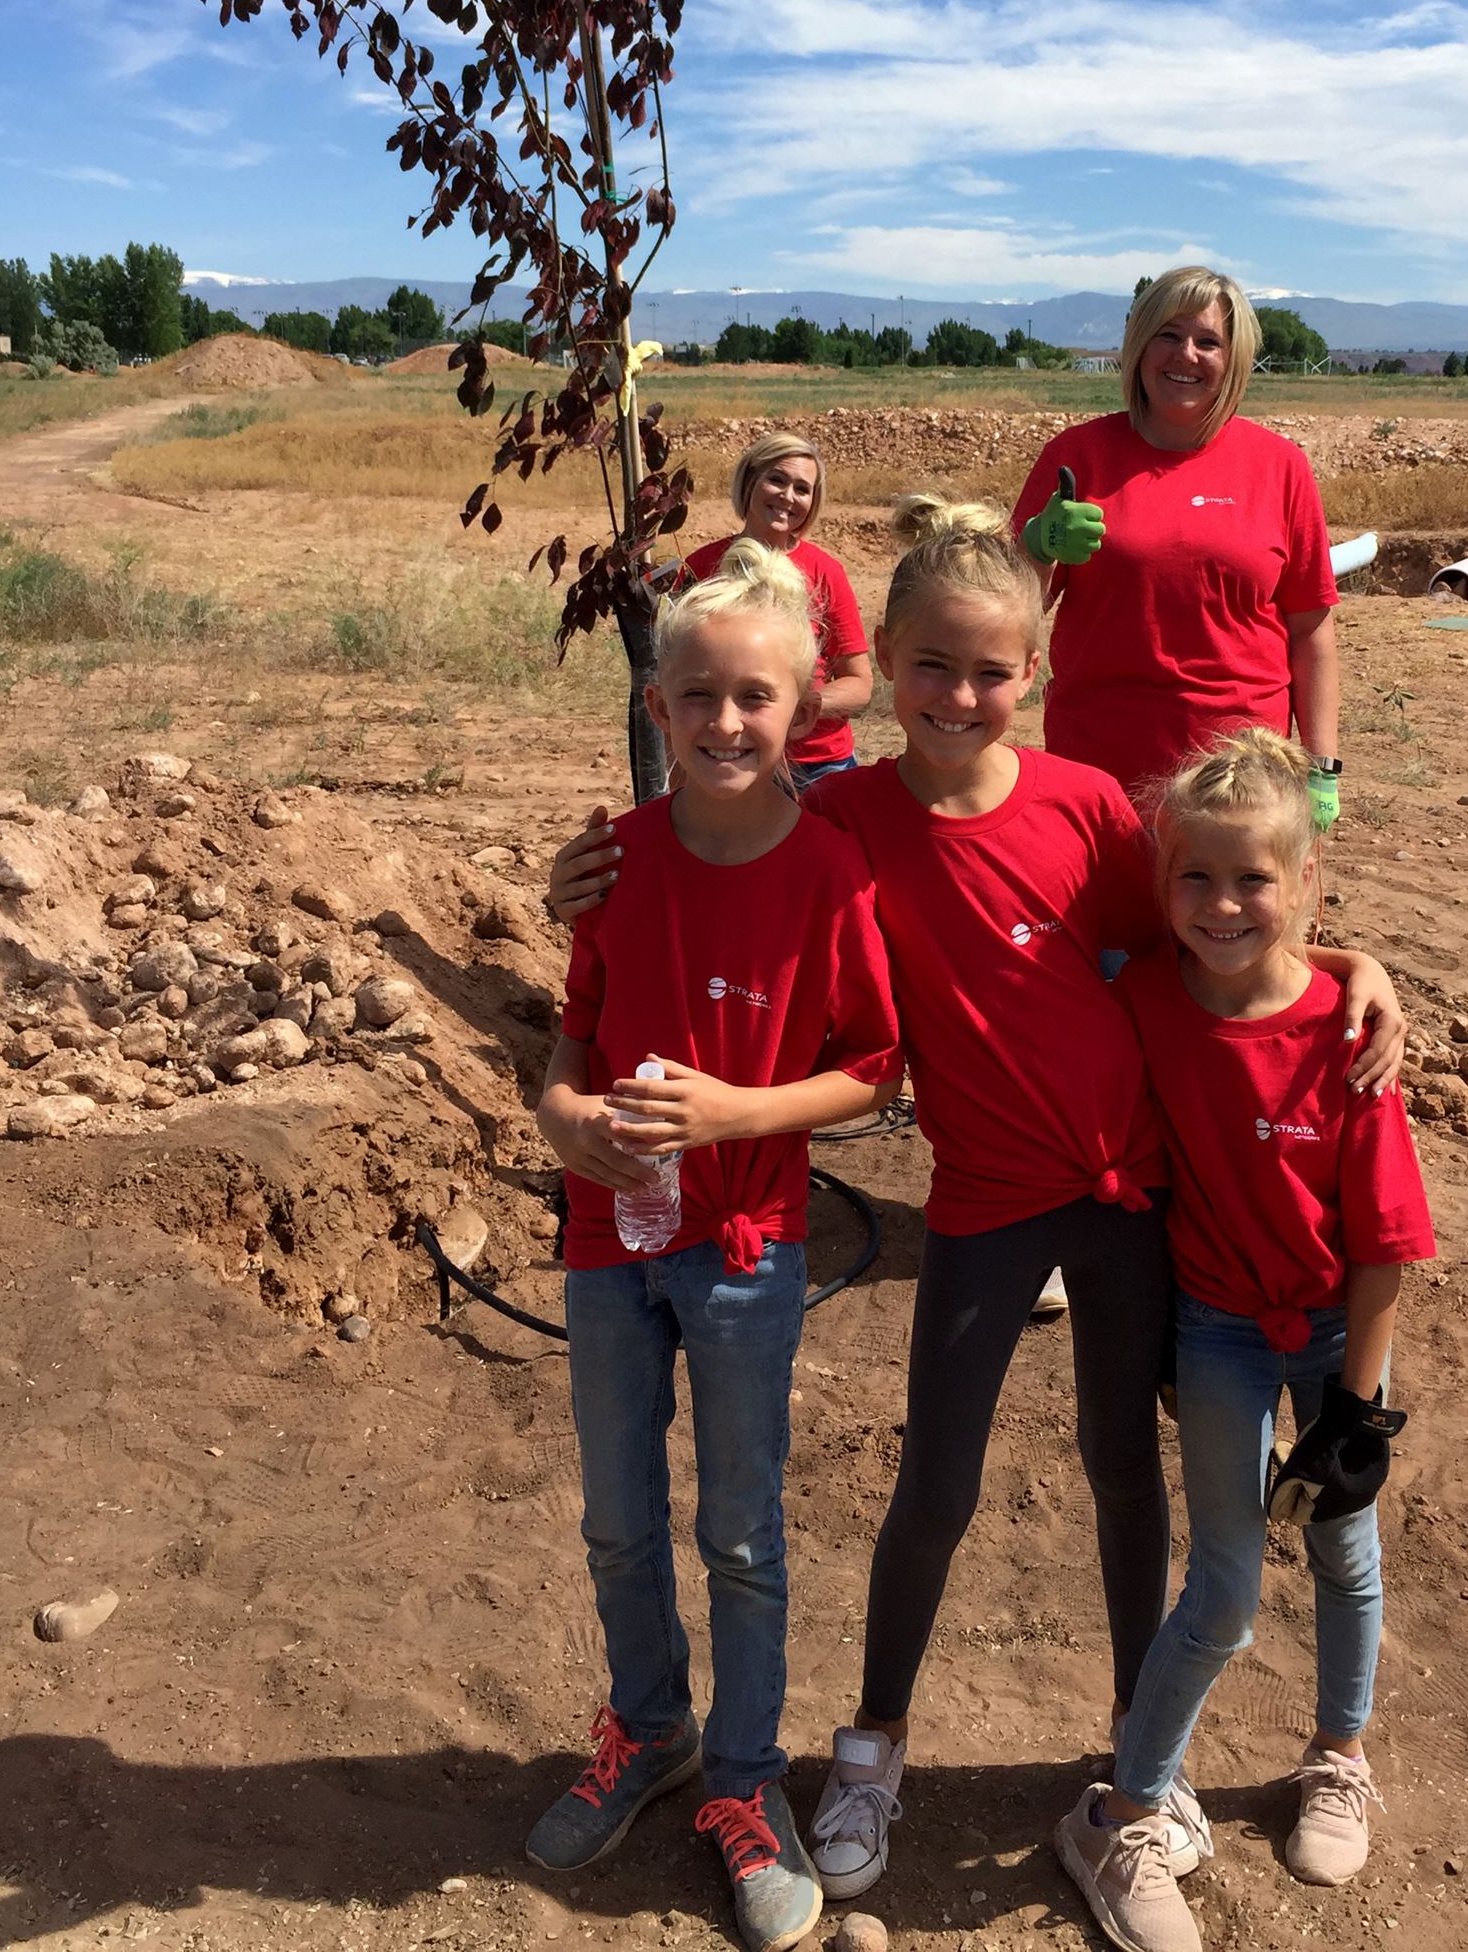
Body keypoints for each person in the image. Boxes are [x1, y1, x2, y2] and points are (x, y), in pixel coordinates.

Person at [546, 502, 1408, 1907]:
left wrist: (1354, 960)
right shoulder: (842, 819)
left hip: (1124, 1203)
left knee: (1121, 1473)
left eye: (990, 671)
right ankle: (874, 1742)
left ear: (1037, 674)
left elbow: (1217, 923)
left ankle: (1147, 1761)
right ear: (880, 663)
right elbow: (720, 836)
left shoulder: (1080, 808)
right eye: (931, 667)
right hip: (980, 1205)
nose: (957, 696)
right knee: (931, 1483)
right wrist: (575, 876)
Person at [525, 539, 900, 1952]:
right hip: (608, 1239)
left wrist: (743, 1109)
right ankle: (649, 1730)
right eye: (697, 695)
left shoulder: (829, 875)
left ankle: (747, 1784)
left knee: (739, 1530)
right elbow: (575, 1029)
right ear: (656, 705)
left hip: (744, 1250)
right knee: (616, 1515)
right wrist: (563, 1112)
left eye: (755, 696)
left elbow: (874, 1067)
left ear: (805, 706)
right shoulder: (613, 863)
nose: (725, 722)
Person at [1054, 730, 1436, 1952]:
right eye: (1195, 880)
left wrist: (1356, 1412)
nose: (1223, 905)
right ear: (1164, 889)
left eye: (1254, 880)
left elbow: (1383, 1240)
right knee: (1220, 1585)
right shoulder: (1146, 996)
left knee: (1345, 1551)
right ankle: (1123, 1809)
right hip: (1218, 1329)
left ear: (1307, 881)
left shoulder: (1350, 1034)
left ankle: (1337, 1755)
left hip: (1335, 1334)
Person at [1012, 267, 1343, 828]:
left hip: (1239, 771)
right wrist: (1037, 549)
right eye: (1167, 335)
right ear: (1139, 347)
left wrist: (1322, 768)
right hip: (1100, 761)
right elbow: (1010, 612)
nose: (1185, 354)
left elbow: (1312, 630)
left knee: (1230, 915)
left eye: (1207, 341)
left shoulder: (1280, 467)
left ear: (1232, 359)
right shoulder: (1077, 457)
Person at [683, 431, 871, 784]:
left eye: (802, 489)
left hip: (817, 765)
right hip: (728, 754)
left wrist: (793, 706)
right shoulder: (701, 566)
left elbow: (859, 683)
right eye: (777, 480)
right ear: (750, 480)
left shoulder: (825, 571)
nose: (788, 496)